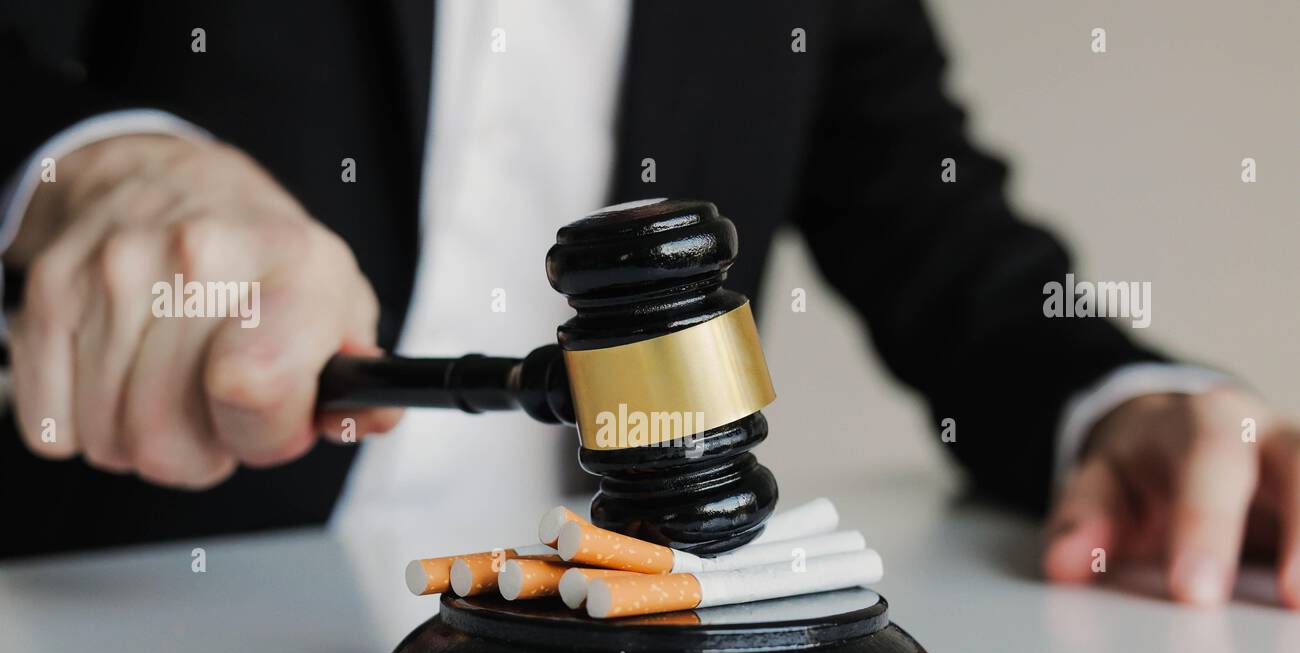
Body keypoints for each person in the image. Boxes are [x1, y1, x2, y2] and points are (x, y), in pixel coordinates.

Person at [1, 0, 1295, 608]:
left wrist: (1120, 400)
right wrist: (86, 159)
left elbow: (933, 220)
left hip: (627, 636)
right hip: (130, 625)